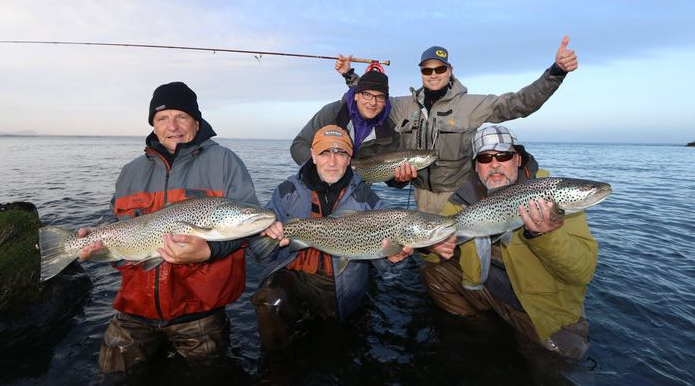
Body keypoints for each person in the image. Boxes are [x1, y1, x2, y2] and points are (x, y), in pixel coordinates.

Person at [79, 81, 277, 374]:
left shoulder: (225, 161)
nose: (172, 125)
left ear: (196, 122)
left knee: (208, 375)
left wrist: (208, 250)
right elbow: (118, 229)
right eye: (162, 118)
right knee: (114, 374)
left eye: (181, 116)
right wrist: (95, 249)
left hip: (198, 308)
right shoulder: (130, 171)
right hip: (135, 307)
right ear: (153, 125)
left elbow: (246, 229)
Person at [338, 37, 579, 213]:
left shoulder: (472, 105)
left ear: (450, 70)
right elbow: (372, 98)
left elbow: (520, 103)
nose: (434, 74)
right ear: (421, 72)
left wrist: (555, 72)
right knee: (429, 262)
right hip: (421, 196)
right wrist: (350, 76)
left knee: (459, 261)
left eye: (440, 68)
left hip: (459, 198)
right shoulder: (403, 106)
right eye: (427, 69)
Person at [420, 125, 598, 360]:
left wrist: (546, 235)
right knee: (434, 272)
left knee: (561, 365)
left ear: (518, 158)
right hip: (491, 291)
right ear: (476, 166)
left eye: (503, 156)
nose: (494, 165)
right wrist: (429, 246)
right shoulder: (464, 198)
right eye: (485, 158)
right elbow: (437, 238)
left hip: (541, 308)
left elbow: (582, 273)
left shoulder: (551, 194)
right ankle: (484, 328)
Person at [251, 124, 412, 350]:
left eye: (341, 153)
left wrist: (395, 260)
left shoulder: (368, 198)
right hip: (295, 277)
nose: (333, 161)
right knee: (270, 303)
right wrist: (270, 235)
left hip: (343, 287)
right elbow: (262, 253)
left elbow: (389, 270)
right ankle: (276, 368)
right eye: (325, 152)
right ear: (313, 156)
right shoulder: (287, 190)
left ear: (350, 159)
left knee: (338, 346)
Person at [291, 60, 416, 184]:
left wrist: (400, 181)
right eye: (367, 95)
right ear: (356, 95)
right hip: (319, 182)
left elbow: (391, 181)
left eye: (380, 97)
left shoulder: (390, 130)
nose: (373, 102)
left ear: (385, 100)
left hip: (357, 192)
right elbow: (298, 145)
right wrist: (324, 167)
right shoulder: (332, 113)